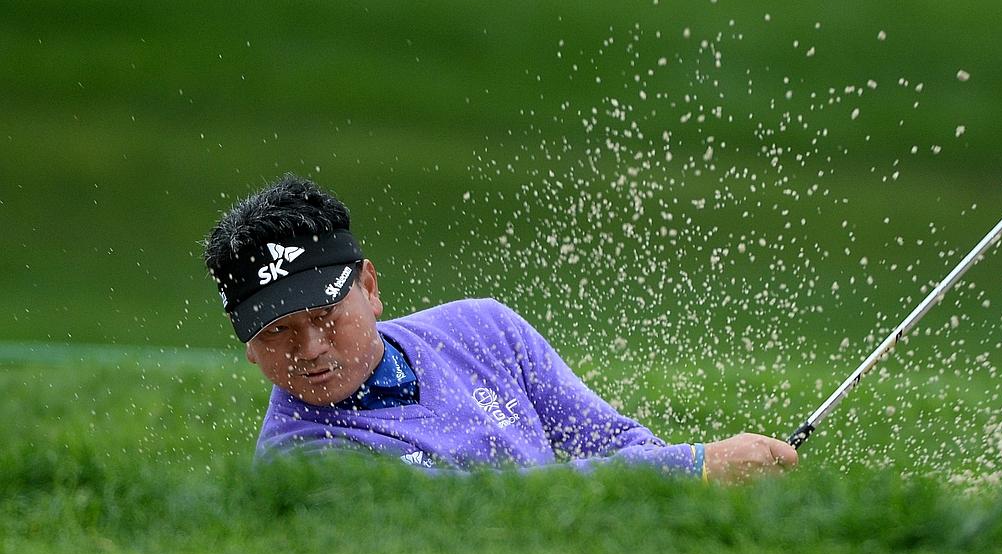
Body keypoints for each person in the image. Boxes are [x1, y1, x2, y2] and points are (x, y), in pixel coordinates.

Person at [203, 175, 798, 482]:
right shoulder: (298, 465)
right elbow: (494, 515)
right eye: (277, 333)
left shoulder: (483, 329)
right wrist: (691, 467)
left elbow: (615, 445)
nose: (309, 349)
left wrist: (697, 485)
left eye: (325, 317)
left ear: (370, 287)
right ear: (249, 350)